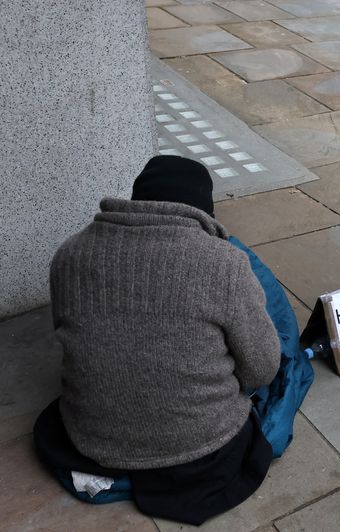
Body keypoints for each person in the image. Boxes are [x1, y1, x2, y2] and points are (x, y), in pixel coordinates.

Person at [35, 155, 283, 524]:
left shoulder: (68, 254)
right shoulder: (224, 263)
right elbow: (263, 368)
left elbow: (68, 338)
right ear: (203, 211)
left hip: (90, 439)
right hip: (204, 447)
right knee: (277, 333)